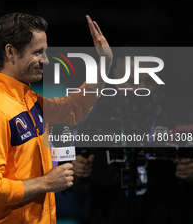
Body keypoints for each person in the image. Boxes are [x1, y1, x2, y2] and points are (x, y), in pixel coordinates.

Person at [0, 12, 113, 223]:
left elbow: (74, 106)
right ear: (11, 52)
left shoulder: (31, 101)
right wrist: (46, 183)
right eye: (38, 53)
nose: (45, 60)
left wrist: (104, 65)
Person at [73, 50, 193, 224]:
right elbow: (73, 187)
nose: (141, 89)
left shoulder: (181, 119)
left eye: (149, 81)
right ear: (115, 81)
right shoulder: (96, 120)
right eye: (132, 81)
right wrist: (76, 172)